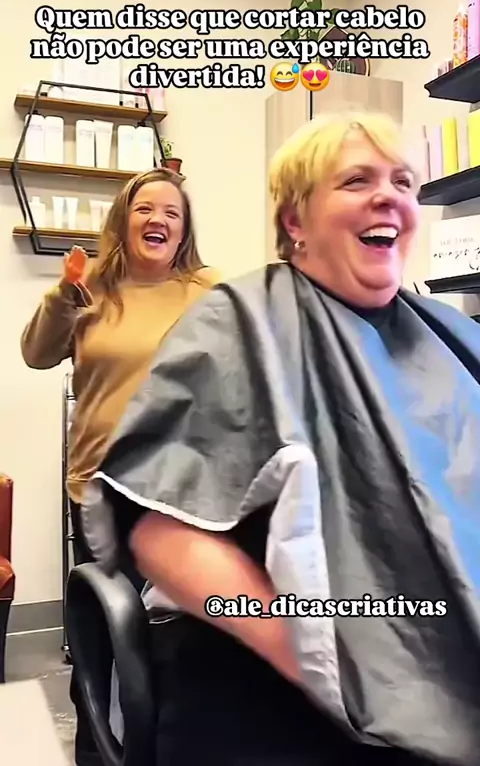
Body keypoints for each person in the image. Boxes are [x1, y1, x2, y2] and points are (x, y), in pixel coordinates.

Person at [86, 111, 480, 765]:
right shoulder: (241, 324)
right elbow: (159, 535)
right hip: (268, 657)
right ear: (296, 219)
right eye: (356, 180)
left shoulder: (453, 337)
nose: (388, 197)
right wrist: (320, 664)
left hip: (437, 644)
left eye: (403, 182)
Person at [20, 166, 221, 766]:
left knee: (171, 644)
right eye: (145, 209)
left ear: (184, 230)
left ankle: (160, 754)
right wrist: (63, 295)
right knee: (102, 639)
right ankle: (94, 754)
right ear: (123, 219)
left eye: (171, 212)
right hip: (99, 492)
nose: (158, 220)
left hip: (179, 496)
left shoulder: (208, 291)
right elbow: (36, 354)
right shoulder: (91, 291)